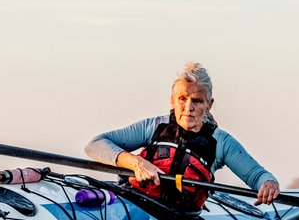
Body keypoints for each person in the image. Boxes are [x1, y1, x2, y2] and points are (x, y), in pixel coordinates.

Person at [84, 62, 281, 212]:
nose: (188, 108)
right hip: (134, 201)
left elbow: (257, 176)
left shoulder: (221, 142)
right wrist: (136, 163)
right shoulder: (153, 127)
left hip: (182, 218)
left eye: (196, 101)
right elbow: (94, 145)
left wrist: (269, 184)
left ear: (209, 105)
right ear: (172, 100)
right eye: (182, 99)